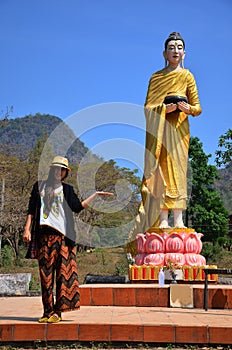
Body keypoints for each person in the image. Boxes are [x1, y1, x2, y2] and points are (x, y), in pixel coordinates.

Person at [23, 155, 113, 323]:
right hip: (43, 236)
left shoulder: (68, 190)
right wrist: (27, 229)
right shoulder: (39, 186)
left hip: (63, 238)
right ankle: (47, 312)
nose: (59, 172)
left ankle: (58, 313)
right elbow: (31, 210)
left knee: (63, 276)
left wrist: (95, 195)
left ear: (65, 173)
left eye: (62, 170)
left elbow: (77, 207)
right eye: (57, 169)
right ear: (52, 170)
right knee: (45, 275)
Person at [132, 32, 202, 237]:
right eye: (172, 47)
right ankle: (162, 219)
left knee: (178, 172)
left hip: (179, 130)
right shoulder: (156, 77)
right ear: (164, 53)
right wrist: (164, 109)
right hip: (161, 132)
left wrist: (187, 108)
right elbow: (147, 108)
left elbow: (198, 108)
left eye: (179, 47)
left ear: (184, 53)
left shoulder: (187, 76)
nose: (176, 50)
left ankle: (178, 218)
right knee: (160, 171)